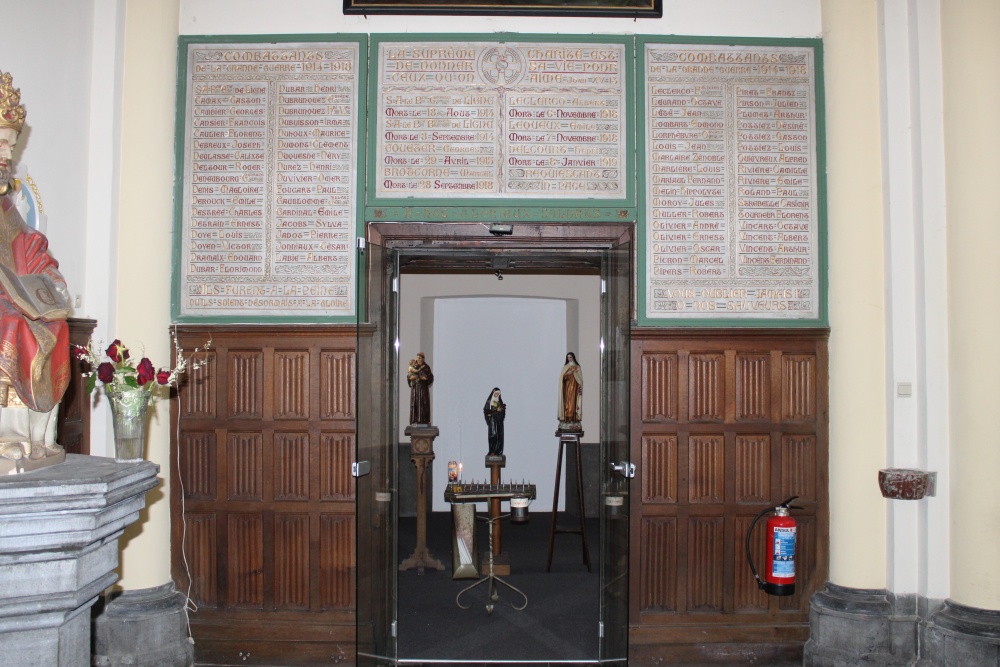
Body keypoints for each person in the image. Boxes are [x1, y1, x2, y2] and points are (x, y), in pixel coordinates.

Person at [0, 70, 71, 467]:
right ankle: (8, 439)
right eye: (4, 144)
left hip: (9, 301)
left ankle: (36, 439)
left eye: (10, 146)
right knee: (10, 322)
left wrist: (48, 283)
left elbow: (30, 246)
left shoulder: (5, 208)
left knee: (51, 324)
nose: (8, 155)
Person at [558, 352, 583, 429]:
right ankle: (566, 420)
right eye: (568, 357)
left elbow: (580, 379)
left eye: (571, 357)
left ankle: (574, 420)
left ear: (573, 358)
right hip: (567, 389)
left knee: (573, 403)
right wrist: (567, 374)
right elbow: (562, 379)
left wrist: (574, 375)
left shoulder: (577, 367)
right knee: (567, 404)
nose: (569, 359)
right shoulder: (565, 367)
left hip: (574, 389)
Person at [406, 352, 433, 424]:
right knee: (415, 403)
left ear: (423, 359)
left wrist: (426, 378)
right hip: (415, 388)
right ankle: (415, 420)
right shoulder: (413, 366)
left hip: (423, 388)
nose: (418, 359)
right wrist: (411, 378)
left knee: (424, 403)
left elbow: (431, 377)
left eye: (420, 358)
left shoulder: (426, 367)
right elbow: (409, 376)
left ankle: (424, 420)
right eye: (417, 358)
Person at [483, 387, 505, 457]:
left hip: (499, 422)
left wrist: (501, 411)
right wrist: (494, 411)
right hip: (492, 421)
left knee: (499, 436)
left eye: (498, 394)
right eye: (496, 393)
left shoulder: (500, 402)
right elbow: (486, 411)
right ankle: (492, 450)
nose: (497, 395)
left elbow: (503, 413)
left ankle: (498, 451)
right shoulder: (489, 402)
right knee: (493, 435)